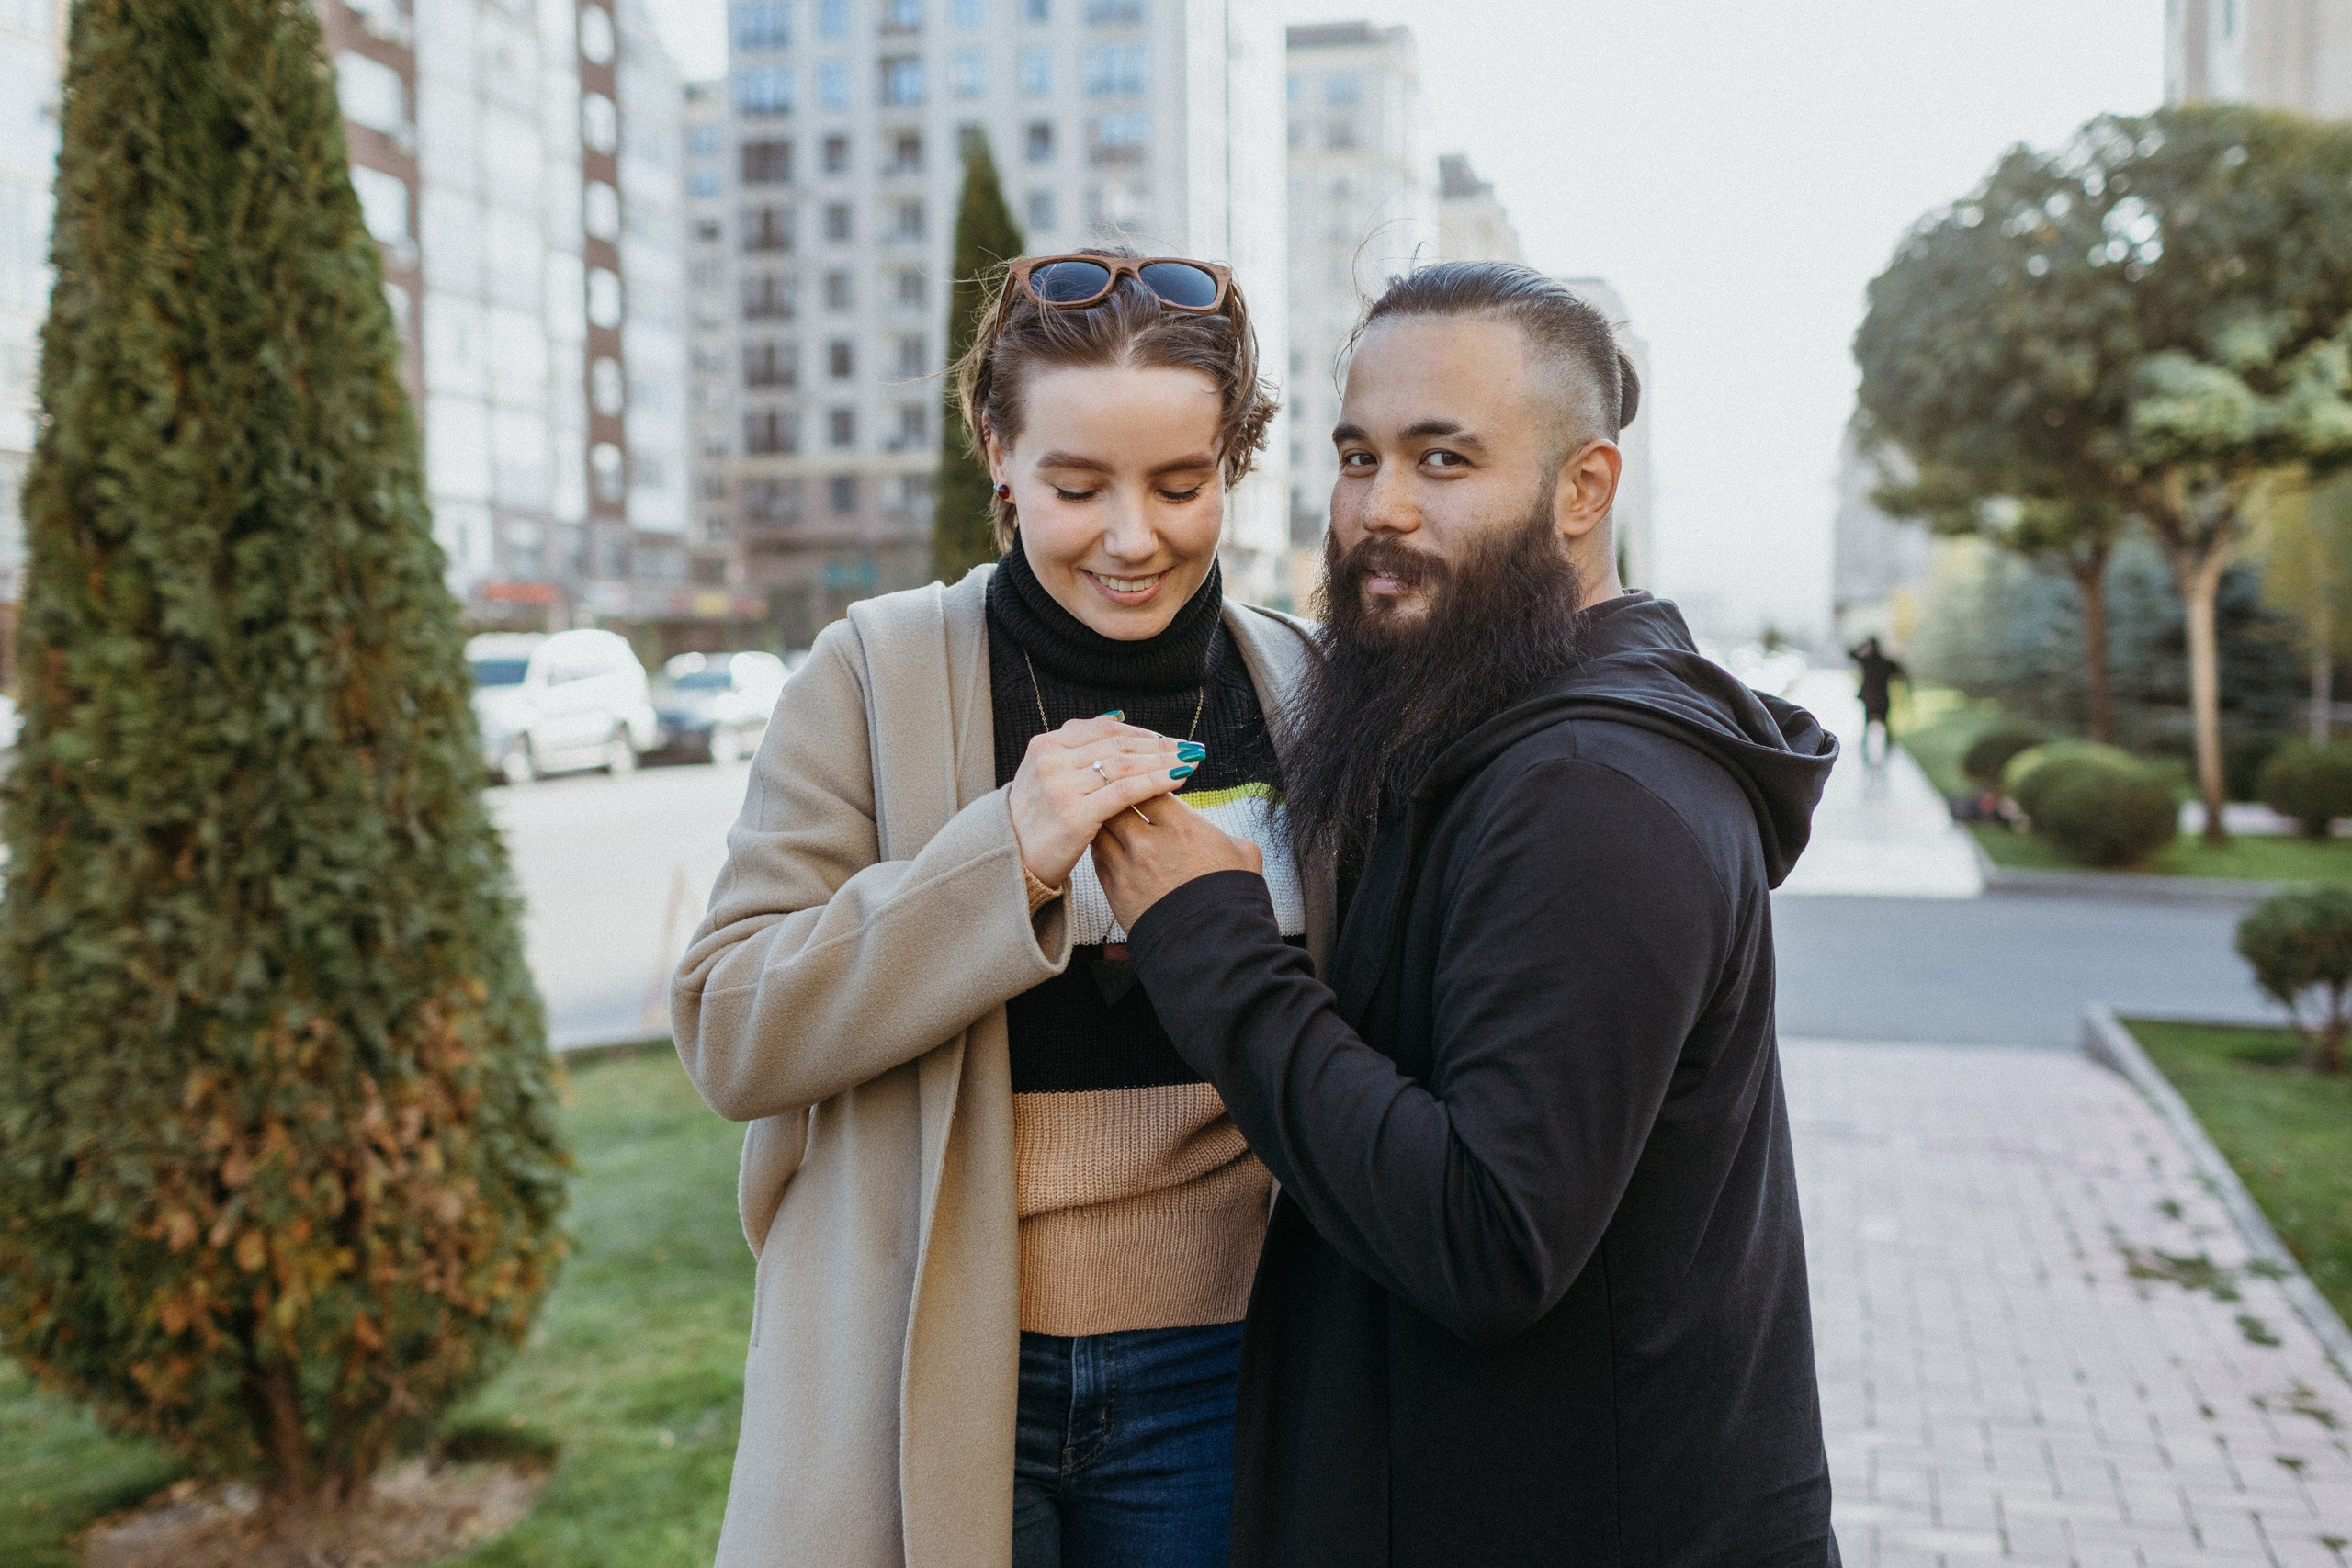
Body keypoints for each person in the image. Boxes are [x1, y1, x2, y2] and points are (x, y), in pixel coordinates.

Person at [1091, 262, 1844, 1566]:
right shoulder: (1485, 726)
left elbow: (1488, 1236)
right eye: (1359, 454)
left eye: (1444, 460)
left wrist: (1207, 939)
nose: (1380, 509)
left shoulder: (1592, 793)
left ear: (1583, 488)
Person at [670, 251, 1330, 1568]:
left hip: (1229, 1360)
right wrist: (1004, 860)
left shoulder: (1302, 682)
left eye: (1181, 484)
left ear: (1235, 463)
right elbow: (730, 1025)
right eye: (1078, 486)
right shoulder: (873, 669)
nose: (1133, 536)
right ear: (997, 450)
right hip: (932, 1354)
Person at [1849, 635, 1905, 767]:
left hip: (1870, 701)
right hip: (1882, 701)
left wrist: (1862, 646)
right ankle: (1886, 755)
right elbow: (1902, 674)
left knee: (1866, 731)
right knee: (1886, 729)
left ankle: (1867, 758)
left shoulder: (1867, 661)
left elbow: (1851, 654)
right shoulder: (1886, 663)